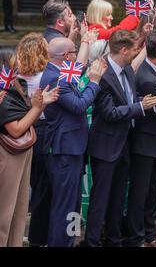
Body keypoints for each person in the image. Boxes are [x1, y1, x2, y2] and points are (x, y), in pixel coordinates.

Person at [83, 30, 156, 247]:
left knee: (117, 198)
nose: (137, 53)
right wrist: (142, 106)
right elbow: (110, 113)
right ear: (123, 50)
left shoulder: (127, 71)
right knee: (100, 199)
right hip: (106, 145)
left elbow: (131, 98)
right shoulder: (103, 74)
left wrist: (154, 100)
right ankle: (92, 242)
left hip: (125, 143)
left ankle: (114, 240)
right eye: (134, 49)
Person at [39, 37, 106, 247]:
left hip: (73, 148)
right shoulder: (56, 78)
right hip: (64, 150)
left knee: (73, 205)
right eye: (74, 52)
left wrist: (85, 41)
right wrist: (94, 81)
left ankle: (71, 240)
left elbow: (78, 74)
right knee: (64, 206)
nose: (77, 57)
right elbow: (79, 105)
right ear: (66, 56)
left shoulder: (61, 73)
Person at [0, 46, 59, 247]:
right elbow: (15, 129)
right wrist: (36, 108)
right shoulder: (3, 92)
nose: (20, 62)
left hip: (22, 154)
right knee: (5, 211)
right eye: (16, 59)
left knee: (19, 208)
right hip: (8, 155)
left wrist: (41, 105)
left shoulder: (18, 85)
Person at [125, 30, 156, 247]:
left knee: (150, 191)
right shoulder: (146, 77)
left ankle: (148, 234)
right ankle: (137, 238)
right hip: (144, 144)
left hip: (155, 142)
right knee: (140, 193)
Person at [14, 33, 52, 247]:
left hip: (22, 130)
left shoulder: (17, 78)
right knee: (42, 187)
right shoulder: (44, 78)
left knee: (26, 187)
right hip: (43, 131)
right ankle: (38, 238)